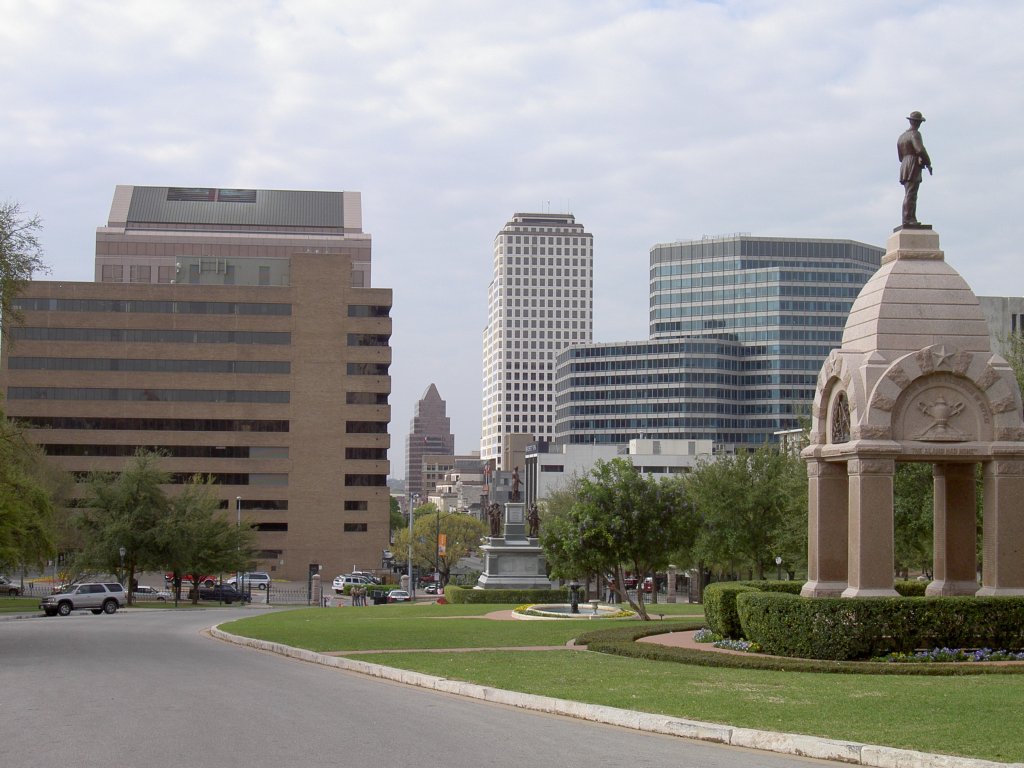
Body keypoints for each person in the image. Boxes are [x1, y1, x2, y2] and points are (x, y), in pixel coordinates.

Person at [897, 111, 932, 227]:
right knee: (911, 193)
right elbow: (919, 149)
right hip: (912, 164)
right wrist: (928, 162)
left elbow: (900, 156)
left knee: (909, 193)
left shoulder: (901, 137)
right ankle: (908, 219)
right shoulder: (915, 134)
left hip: (905, 164)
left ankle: (910, 217)